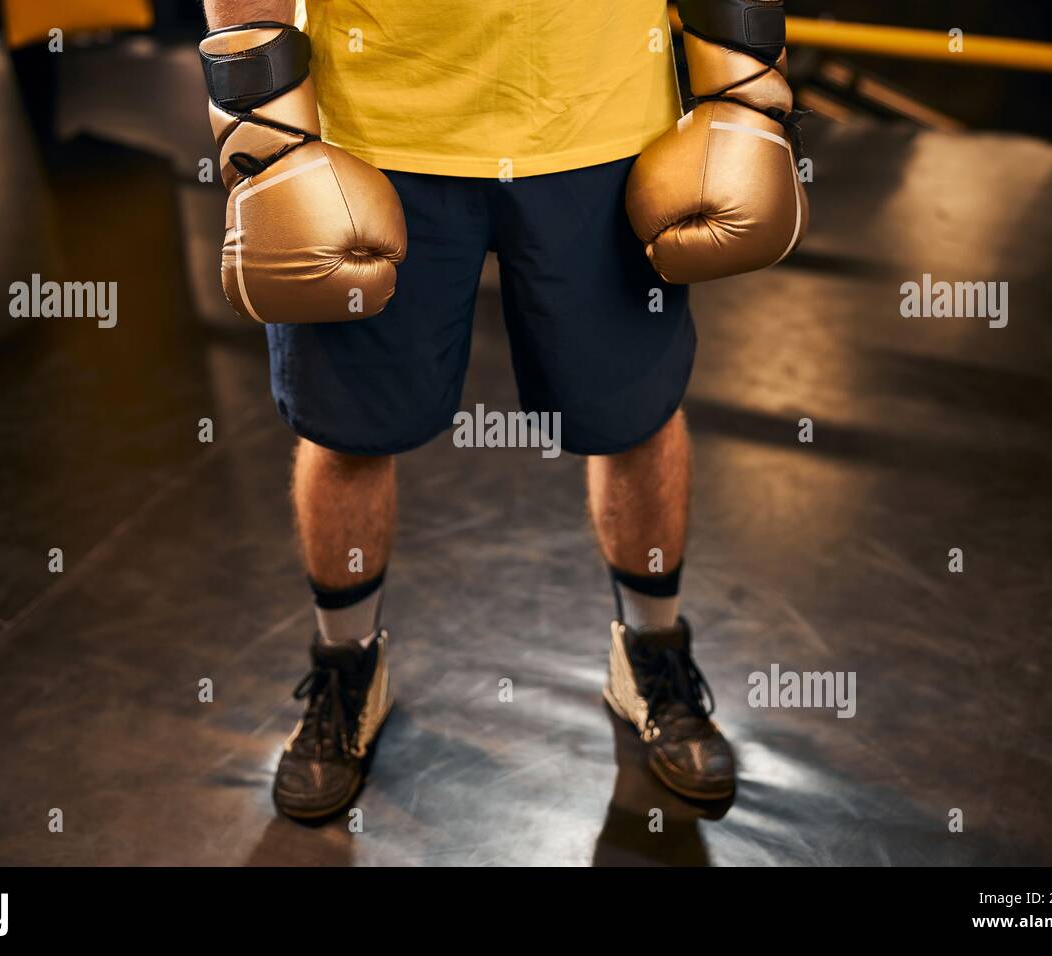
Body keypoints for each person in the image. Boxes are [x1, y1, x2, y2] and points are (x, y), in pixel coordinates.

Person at [198, 0, 806, 819]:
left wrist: (741, 71)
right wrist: (265, 124)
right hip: (376, 126)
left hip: (604, 121)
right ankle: (347, 674)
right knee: (347, 430)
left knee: (637, 415)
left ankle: (652, 657)